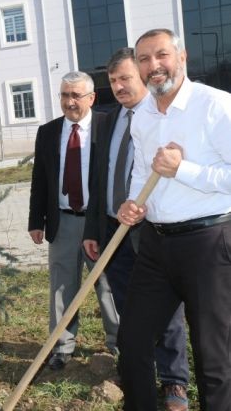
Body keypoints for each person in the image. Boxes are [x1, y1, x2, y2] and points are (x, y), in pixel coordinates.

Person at [117, 28, 231, 410]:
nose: (154, 66)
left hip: (209, 243)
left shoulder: (215, 105)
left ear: (182, 57)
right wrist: (132, 203)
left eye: (162, 55)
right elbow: (139, 175)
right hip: (155, 245)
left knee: (214, 358)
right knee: (131, 343)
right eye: (145, 59)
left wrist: (183, 170)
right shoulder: (143, 115)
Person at [83, 47, 189, 410]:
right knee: (128, 309)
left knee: (167, 310)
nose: (118, 86)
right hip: (114, 230)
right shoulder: (107, 120)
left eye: (125, 78)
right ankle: (138, 378)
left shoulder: (161, 118)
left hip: (152, 232)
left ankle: (174, 382)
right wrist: (93, 229)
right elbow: (99, 179)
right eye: (112, 81)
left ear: (141, 76)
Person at [28, 71, 119, 370]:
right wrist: (35, 220)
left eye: (75, 95)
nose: (69, 102)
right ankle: (62, 345)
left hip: (101, 222)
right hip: (63, 221)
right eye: (64, 95)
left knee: (106, 284)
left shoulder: (109, 126)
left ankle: (118, 343)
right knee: (61, 286)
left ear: (91, 98)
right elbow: (39, 179)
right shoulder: (49, 132)